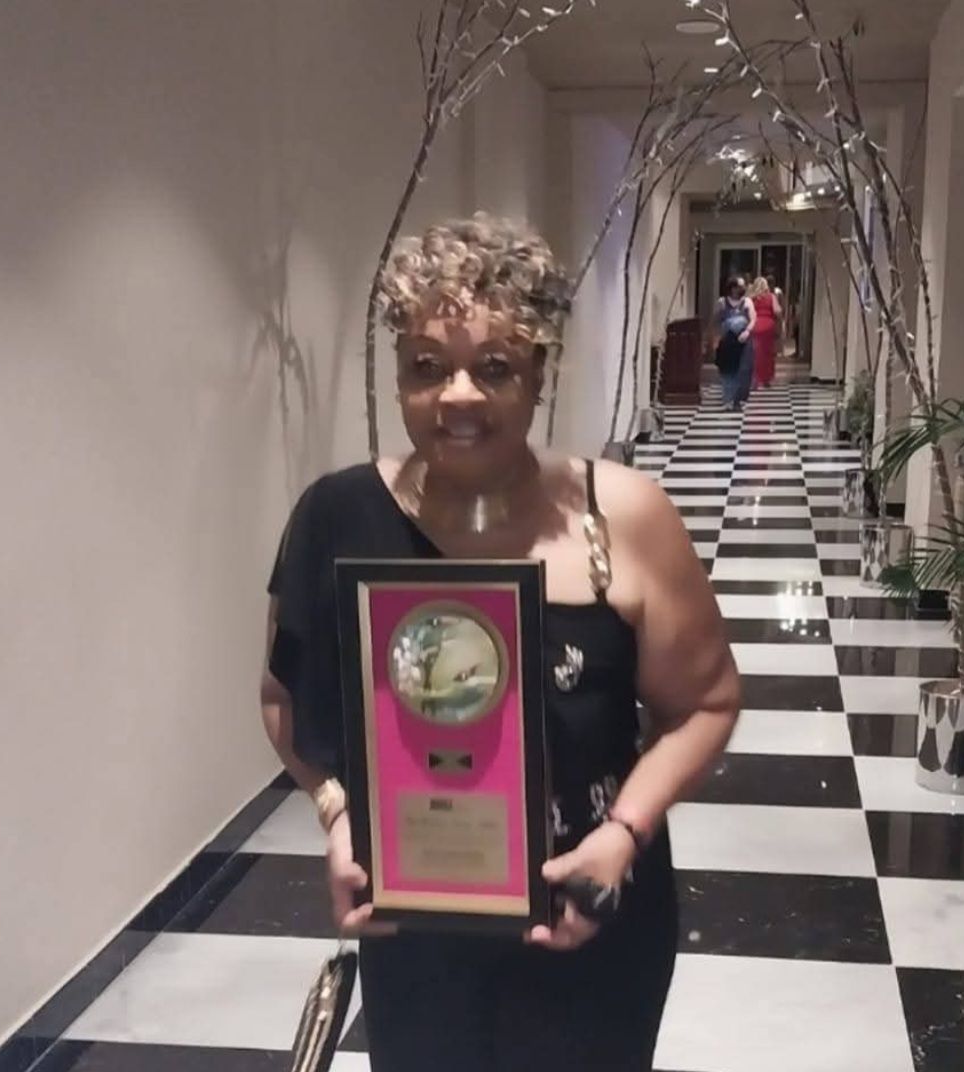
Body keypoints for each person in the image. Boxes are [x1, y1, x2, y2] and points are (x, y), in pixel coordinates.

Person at [260, 213, 741, 1072]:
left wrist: (623, 836)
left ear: (539, 375)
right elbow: (284, 703)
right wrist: (340, 817)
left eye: (493, 368)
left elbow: (704, 704)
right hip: (419, 913)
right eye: (427, 368)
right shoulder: (338, 516)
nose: (459, 396)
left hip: (593, 901)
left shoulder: (622, 515)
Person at [712, 275, 755, 411]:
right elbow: (715, 321)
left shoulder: (747, 302)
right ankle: (728, 400)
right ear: (732, 288)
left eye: (743, 286)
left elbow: (753, 319)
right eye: (739, 286)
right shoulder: (722, 302)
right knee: (727, 371)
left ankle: (740, 399)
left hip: (743, 341)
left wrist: (747, 331)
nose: (742, 289)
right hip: (727, 342)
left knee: (743, 370)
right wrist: (715, 339)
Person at [749, 276, 782, 389]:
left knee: (756, 354)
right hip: (768, 326)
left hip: (755, 325)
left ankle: (755, 379)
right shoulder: (771, 297)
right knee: (768, 354)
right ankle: (766, 379)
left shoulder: (752, 298)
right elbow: (777, 311)